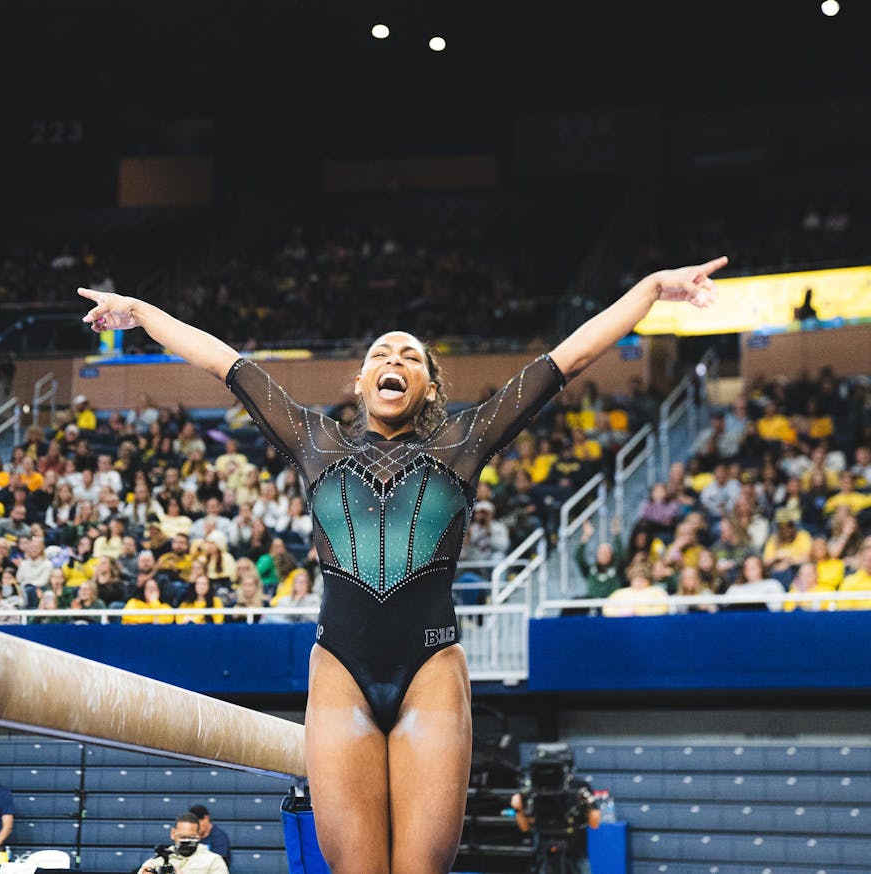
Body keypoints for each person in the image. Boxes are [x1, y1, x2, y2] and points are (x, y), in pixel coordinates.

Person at [79, 253, 726, 872]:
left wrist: (650, 289)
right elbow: (228, 364)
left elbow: (568, 357)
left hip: (431, 670)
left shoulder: (464, 439)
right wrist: (141, 311)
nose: (393, 360)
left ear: (427, 386)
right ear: (360, 382)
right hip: (340, 669)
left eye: (409, 356)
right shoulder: (313, 439)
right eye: (380, 355)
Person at [136, 812, 227, 874]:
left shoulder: (213, 861)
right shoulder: (159, 860)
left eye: (191, 837)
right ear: (173, 834)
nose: (186, 841)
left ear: (199, 835)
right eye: (182, 837)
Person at [188, 804, 232, 870]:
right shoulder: (190, 836)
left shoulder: (219, 837)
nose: (196, 827)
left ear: (206, 818)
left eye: (198, 823)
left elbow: (218, 862)